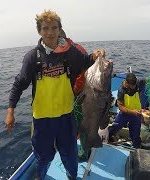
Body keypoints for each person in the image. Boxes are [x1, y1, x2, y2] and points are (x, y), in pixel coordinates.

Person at [4, 10, 105, 180]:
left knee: (70, 155)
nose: (50, 32)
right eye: (45, 28)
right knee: (43, 157)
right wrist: (10, 111)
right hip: (42, 120)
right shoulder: (32, 57)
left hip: (66, 117)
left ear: (60, 29)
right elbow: (19, 84)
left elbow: (86, 62)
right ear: (39, 31)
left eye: (54, 28)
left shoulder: (69, 52)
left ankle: (72, 177)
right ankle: (41, 177)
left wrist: (96, 55)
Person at [58, 29, 90, 161]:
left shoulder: (77, 51)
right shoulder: (57, 51)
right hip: (68, 96)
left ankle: (84, 153)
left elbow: (84, 74)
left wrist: (73, 91)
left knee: (82, 125)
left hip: (79, 95)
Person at [108, 71, 150, 149]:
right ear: (126, 83)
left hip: (137, 113)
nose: (133, 87)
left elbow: (148, 80)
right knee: (116, 126)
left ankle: (136, 147)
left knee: (135, 133)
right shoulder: (121, 90)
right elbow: (120, 107)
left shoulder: (138, 82)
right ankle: (108, 136)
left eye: (134, 86)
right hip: (125, 113)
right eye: (131, 86)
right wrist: (132, 112)